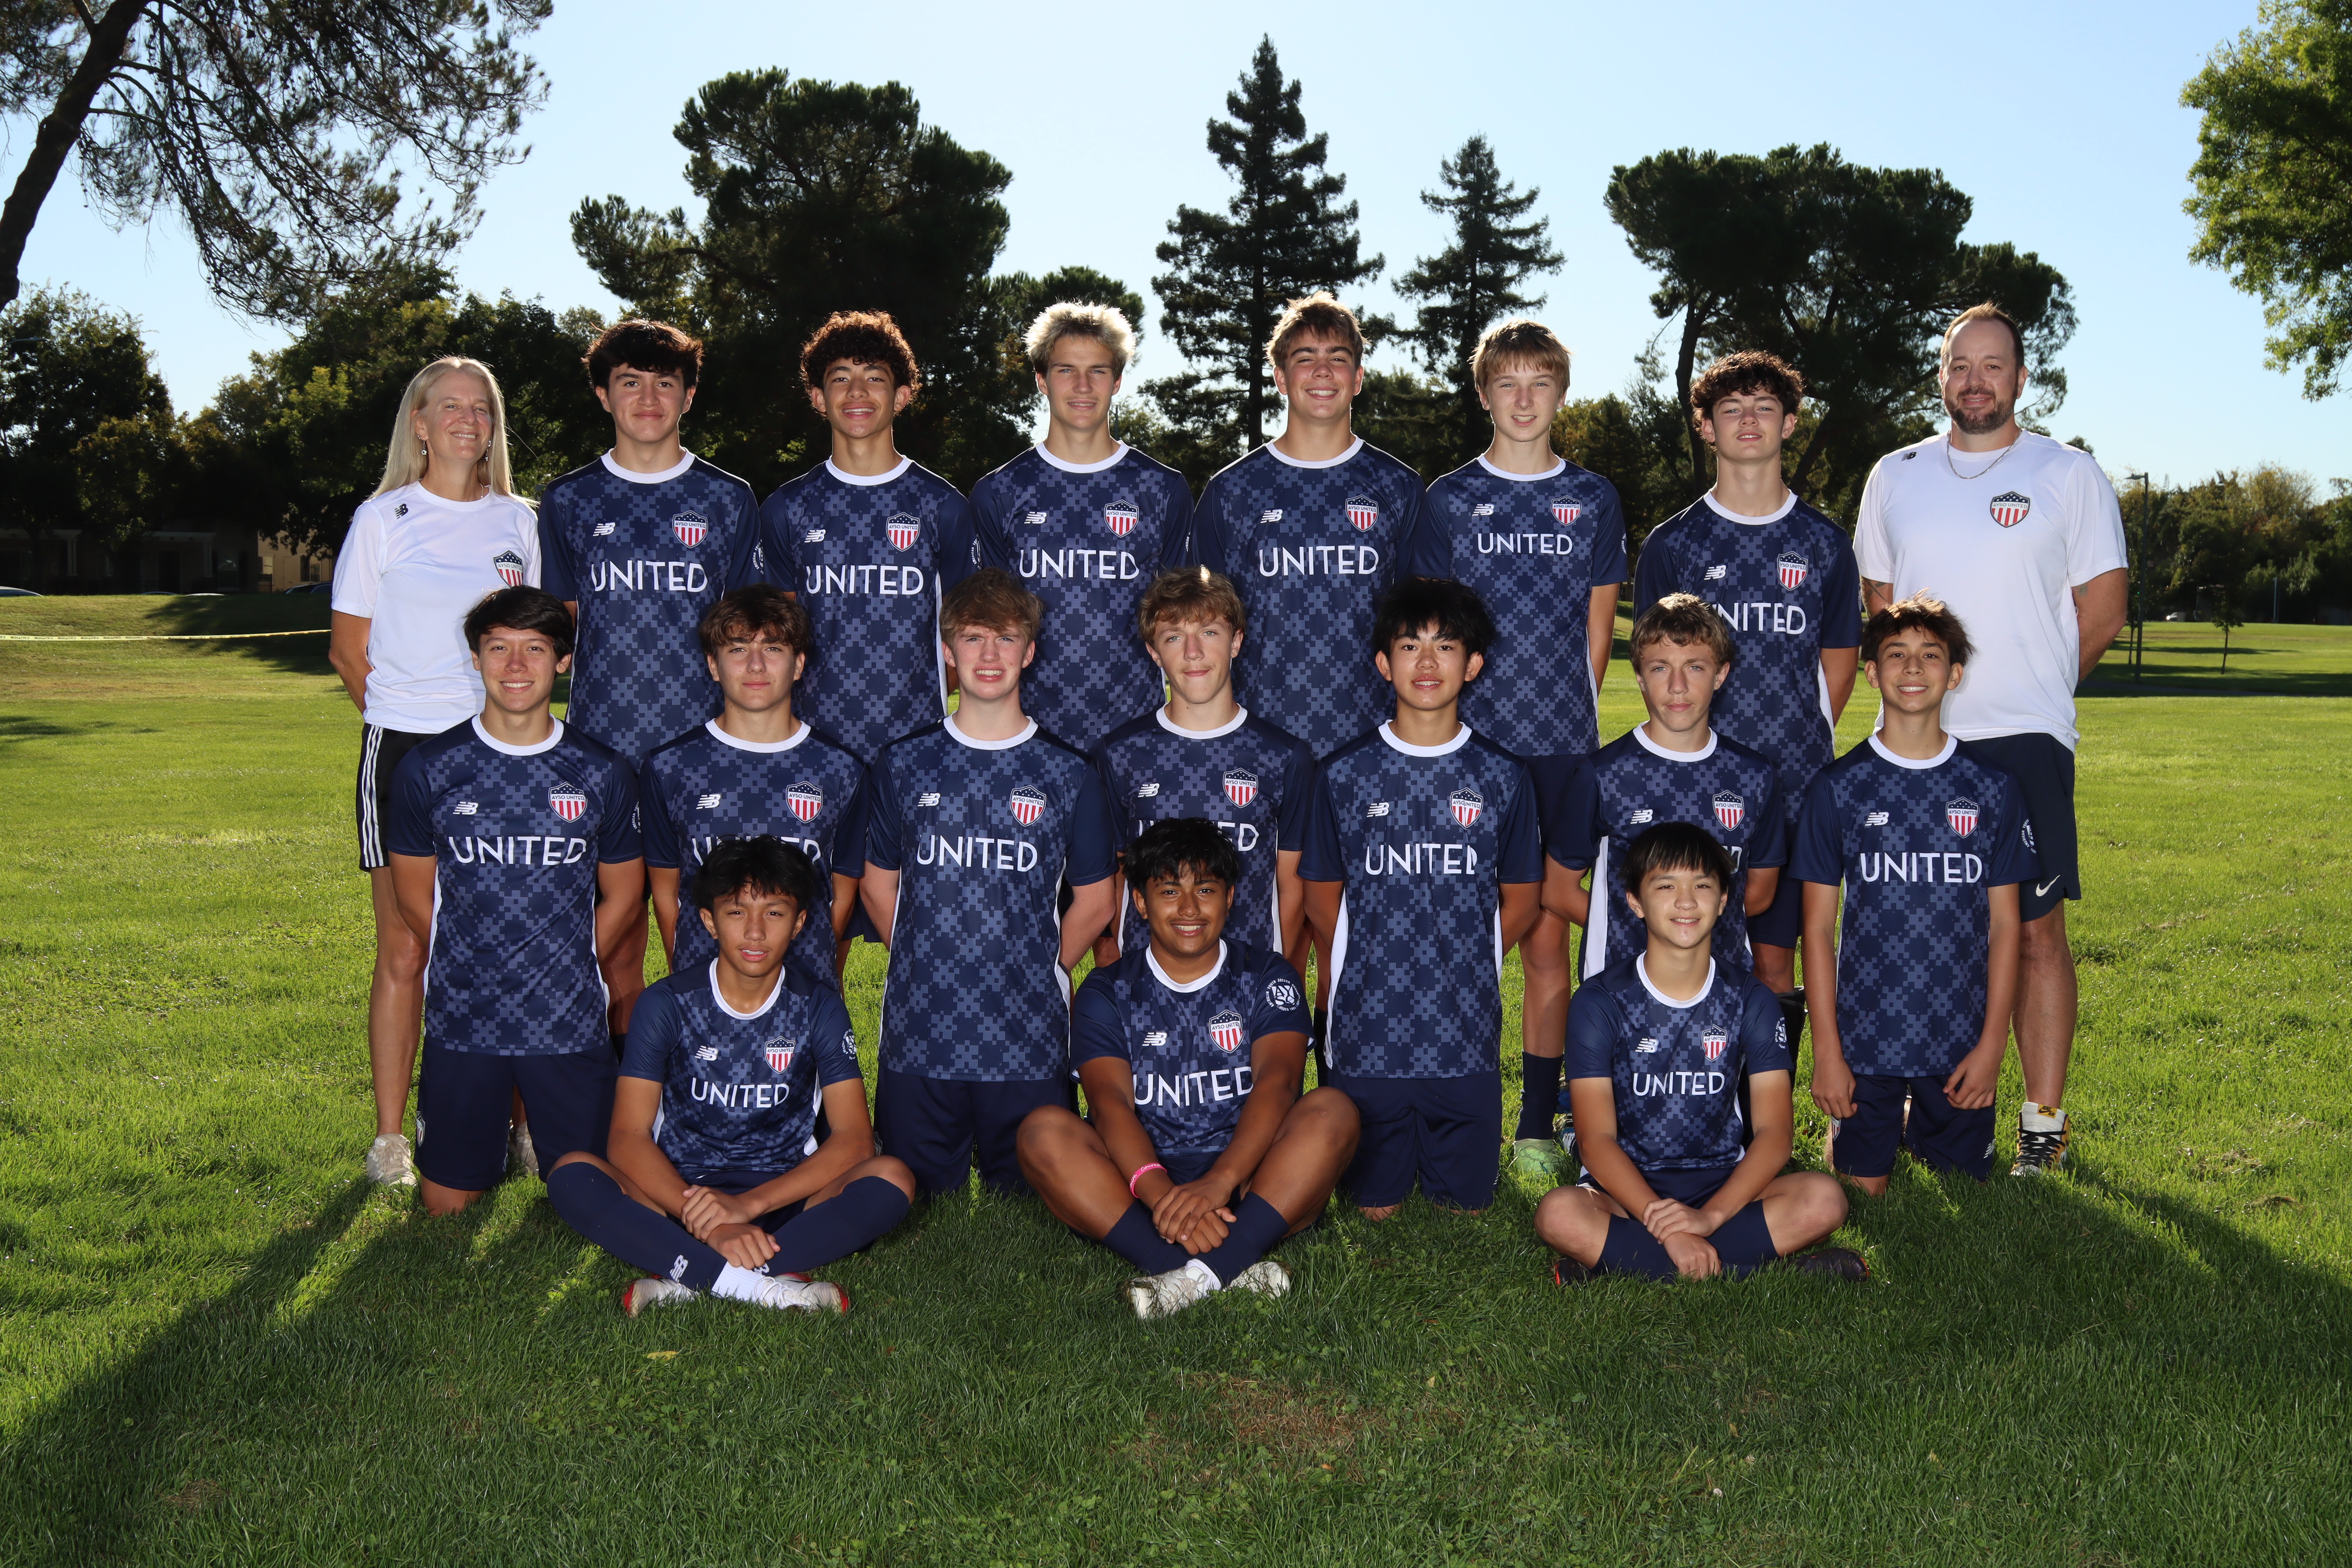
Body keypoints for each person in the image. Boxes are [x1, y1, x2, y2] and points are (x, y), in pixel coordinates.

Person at [1853, 303, 2129, 1174]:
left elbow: (2104, 610)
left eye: (1993, 365)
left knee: (2037, 931)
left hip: (2022, 741)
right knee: (1915, 928)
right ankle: (1916, 1101)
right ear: (1941, 376)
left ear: (2021, 376)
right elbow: (1881, 607)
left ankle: (2042, 1128)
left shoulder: (2068, 473)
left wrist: (2035, 686)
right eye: (1960, 365)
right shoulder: (1894, 475)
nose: (1976, 381)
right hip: (1916, 745)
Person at [1409, 318, 1626, 1183]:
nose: (1524, 398)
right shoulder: (1449, 498)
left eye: (1540, 382)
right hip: (1468, 753)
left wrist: (1565, 724)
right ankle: (1428, 1110)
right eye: (1508, 382)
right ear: (1485, 394)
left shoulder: (1594, 498)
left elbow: (1597, 635)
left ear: (1561, 394)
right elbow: (1434, 630)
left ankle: (1536, 1128)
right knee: (1453, 935)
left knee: (1542, 942)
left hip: (1562, 751)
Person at [329, 355, 542, 1187]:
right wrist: (419, 738)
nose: (466, 417)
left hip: (506, 755)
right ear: (418, 424)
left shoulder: (519, 522)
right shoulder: (383, 518)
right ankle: (392, 1139)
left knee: (514, 944)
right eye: (448, 405)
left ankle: (523, 1127)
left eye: (480, 405)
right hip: (407, 754)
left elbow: (536, 644)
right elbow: (349, 653)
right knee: (406, 947)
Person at [547, 836, 914, 1315]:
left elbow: (854, 1140)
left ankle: (690, 1275)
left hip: (783, 1199)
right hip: (679, 1196)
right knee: (572, 1173)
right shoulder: (666, 1003)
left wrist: (745, 1208)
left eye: (774, 913)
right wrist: (710, 1219)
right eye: (737, 912)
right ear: (709, 921)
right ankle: (767, 1284)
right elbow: (628, 1137)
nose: (755, 932)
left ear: (799, 921)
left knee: (892, 1177)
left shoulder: (819, 1007)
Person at [1018, 818, 1359, 1319]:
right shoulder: (1106, 990)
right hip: (1142, 1183)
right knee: (1041, 1132)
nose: (1189, 909)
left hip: (1253, 1179)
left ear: (1229, 897)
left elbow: (1278, 1084)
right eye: (1169, 891)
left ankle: (1183, 1277)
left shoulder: (1268, 975)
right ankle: (1226, 1265)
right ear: (1140, 902)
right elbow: (1110, 1105)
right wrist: (1161, 1195)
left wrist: (1222, 1180)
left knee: (1333, 1111)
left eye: (1205, 890)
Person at [537, 319, 762, 1054]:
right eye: (629, 382)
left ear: (688, 396)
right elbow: (560, 628)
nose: (647, 398)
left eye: (665, 383)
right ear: (603, 395)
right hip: (601, 750)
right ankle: (624, 1089)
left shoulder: (728, 498)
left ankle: (712, 1082)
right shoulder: (569, 499)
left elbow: (750, 634)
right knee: (615, 941)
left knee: (704, 934)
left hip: (706, 753)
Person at [382, 588, 643, 1216]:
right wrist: (476, 961)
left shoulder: (602, 770)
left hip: (567, 1017)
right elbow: (415, 896)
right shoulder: (428, 768)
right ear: (476, 658)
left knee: (591, 1193)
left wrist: (573, 958)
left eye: (535, 649)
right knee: (447, 1203)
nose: (516, 665)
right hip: (466, 1015)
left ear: (563, 661)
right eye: (499, 648)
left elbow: (625, 891)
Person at [859, 570, 1119, 1197]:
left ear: (1029, 651)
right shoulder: (903, 762)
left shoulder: (1069, 771)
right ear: (948, 649)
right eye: (973, 638)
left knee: (1033, 1192)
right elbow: (877, 884)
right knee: (912, 1191)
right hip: (922, 1027)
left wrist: (1042, 965)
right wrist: (923, 957)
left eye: (1006, 638)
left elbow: (1097, 899)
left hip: (1025, 1029)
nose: (990, 655)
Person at [1299, 578, 1544, 1218]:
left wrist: (1472, 961)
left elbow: (1522, 898)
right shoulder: (1343, 773)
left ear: (1474, 664)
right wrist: (1366, 964)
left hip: (1463, 1038)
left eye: (1446, 646)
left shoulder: (1504, 775)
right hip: (1367, 1036)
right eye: (1410, 645)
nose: (1427, 662)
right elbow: (1321, 899)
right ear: (1385, 663)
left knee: (1466, 1206)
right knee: (1373, 1207)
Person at [1635, 350, 1860, 1038]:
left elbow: (1839, 664)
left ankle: (1766, 1101)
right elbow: (1656, 667)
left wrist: (1794, 738)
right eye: (1731, 409)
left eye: (1765, 407)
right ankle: (1690, 1094)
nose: (1749, 420)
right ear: (1706, 428)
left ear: (1790, 423)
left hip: (1795, 783)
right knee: (1687, 945)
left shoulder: (1824, 543)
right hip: (1694, 781)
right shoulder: (1674, 544)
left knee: (1774, 961)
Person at [1533, 823, 1862, 1282]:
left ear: (1724, 900)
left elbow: (1775, 1135)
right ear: (1635, 901)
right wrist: (1663, 1224)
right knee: (1558, 1213)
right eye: (1666, 886)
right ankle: (1761, 1271)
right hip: (1627, 1190)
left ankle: (1629, 1265)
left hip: (1724, 1183)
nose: (1686, 902)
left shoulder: (1751, 999)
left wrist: (1708, 1218)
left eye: (1702, 886)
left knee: (1825, 1200)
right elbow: (1596, 1141)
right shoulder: (1599, 1002)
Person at [1790, 597, 2037, 1191]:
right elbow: (1817, 930)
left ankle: (1918, 1118)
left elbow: (2007, 927)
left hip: (1957, 1041)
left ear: (1955, 674)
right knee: (1863, 1191)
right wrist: (1828, 1052)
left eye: (1931, 655)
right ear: (1872, 671)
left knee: (1963, 1185)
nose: (1913, 667)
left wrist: (1991, 1049)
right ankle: (1881, 1119)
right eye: (1897, 654)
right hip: (1865, 1040)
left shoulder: (1994, 787)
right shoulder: (1838, 787)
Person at [1187, 292, 1428, 758]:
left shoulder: (1399, 487)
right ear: (1280, 377)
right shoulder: (1231, 491)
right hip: (1256, 746)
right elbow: (1203, 629)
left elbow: (1420, 628)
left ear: (1358, 378)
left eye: (1338, 358)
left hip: (1376, 745)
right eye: (1305, 358)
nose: (1322, 371)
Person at [759, 311, 980, 769]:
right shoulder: (786, 508)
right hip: (811, 751)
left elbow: (970, 633)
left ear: (901, 396)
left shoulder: (943, 506)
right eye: (841, 378)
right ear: (818, 398)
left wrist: (929, 693)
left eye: (874, 378)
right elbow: (778, 635)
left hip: (917, 749)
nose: (857, 392)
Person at [971, 302, 1194, 756]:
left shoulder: (1163, 489)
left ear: (1117, 381)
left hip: (1138, 737)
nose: (1082, 386)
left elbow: (1180, 621)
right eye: (1065, 370)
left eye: (1097, 371)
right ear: (1042, 380)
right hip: (1026, 737)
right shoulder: (999, 492)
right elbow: (989, 624)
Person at [1543, 595, 1786, 984]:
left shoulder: (1755, 775)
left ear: (1721, 674)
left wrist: (1687, 926)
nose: (1677, 686)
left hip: (1721, 987)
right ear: (1640, 677)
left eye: (1695, 667)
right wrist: (1644, 926)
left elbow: (1758, 892)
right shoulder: (1603, 774)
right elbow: (1557, 890)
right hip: (1623, 989)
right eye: (1660, 668)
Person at [640, 586, 868, 989]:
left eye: (774, 648)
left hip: (802, 994)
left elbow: (841, 895)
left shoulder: (842, 770)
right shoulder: (670, 767)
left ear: (798, 664)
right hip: (704, 993)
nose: (756, 665)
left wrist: (810, 967)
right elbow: (667, 894)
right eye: (739, 649)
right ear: (713, 665)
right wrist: (691, 977)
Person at [1093, 567, 1316, 968]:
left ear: (1236, 641)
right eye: (1174, 637)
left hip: (1246, 979)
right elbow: (1115, 876)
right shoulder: (1120, 753)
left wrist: (1266, 969)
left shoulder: (1284, 755)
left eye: (1209, 632)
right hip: (1149, 982)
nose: (1193, 652)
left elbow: (1292, 885)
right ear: (1154, 652)